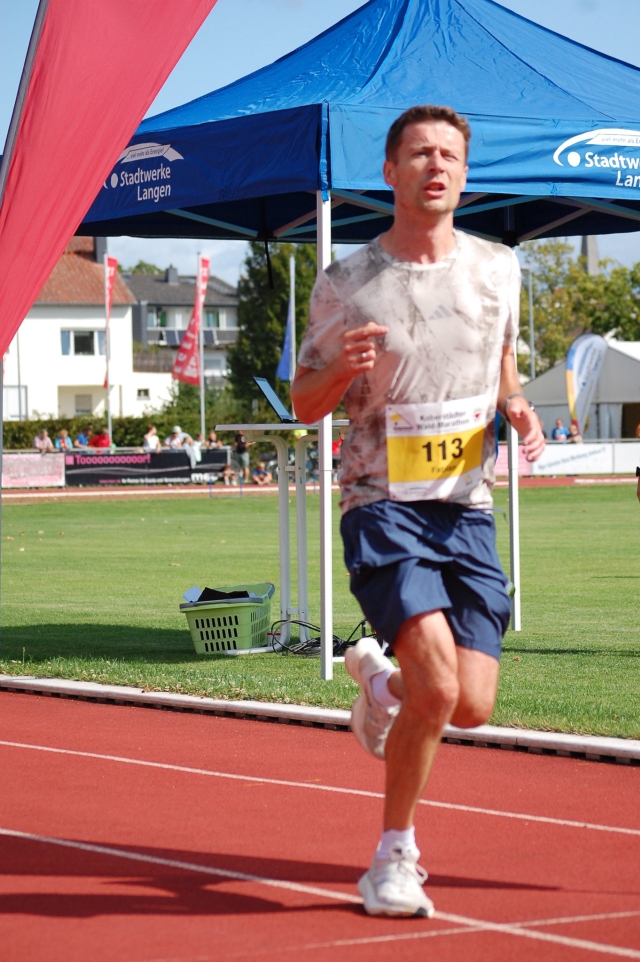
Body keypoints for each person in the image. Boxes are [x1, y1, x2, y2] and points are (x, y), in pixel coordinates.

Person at [292, 104, 545, 920]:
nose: (436, 166)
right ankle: (392, 859)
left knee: (469, 703)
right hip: (382, 505)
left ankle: (380, 683)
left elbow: (501, 364)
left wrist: (517, 406)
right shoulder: (348, 281)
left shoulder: (499, 268)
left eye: (450, 155)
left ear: (465, 174)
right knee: (438, 686)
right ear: (390, 172)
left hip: (466, 510)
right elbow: (303, 401)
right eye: (420, 154)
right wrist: (340, 369)